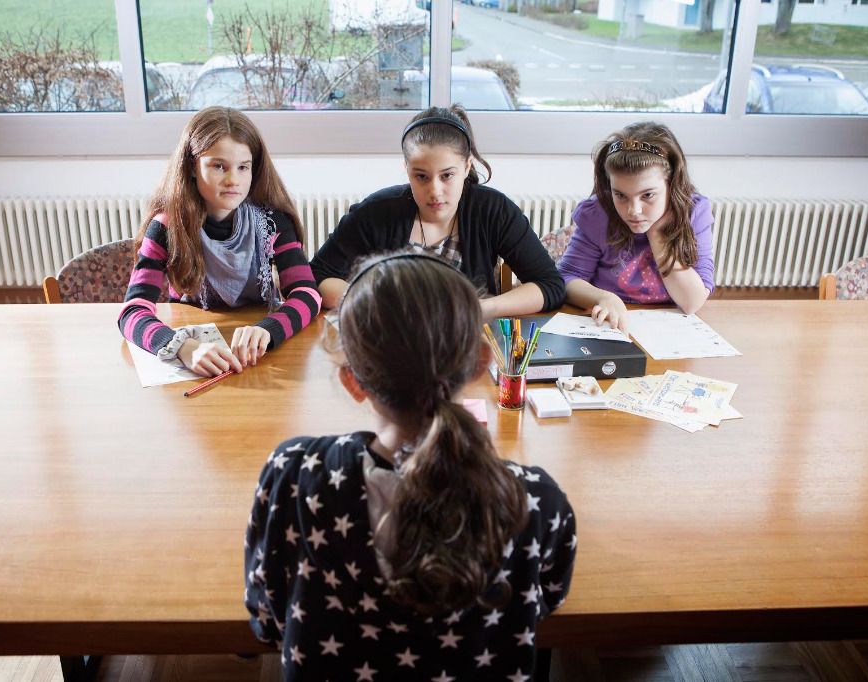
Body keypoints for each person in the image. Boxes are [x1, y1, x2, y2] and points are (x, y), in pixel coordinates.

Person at [245, 252, 576, 681]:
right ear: (481, 362)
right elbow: (548, 599)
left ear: (354, 382)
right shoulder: (534, 500)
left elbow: (267, 619)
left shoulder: (296, 474)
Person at [310, 105, 565, 318]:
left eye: (447, 176)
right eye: (421, 176)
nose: (435, 190)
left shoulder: (494, 210)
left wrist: (481, 307)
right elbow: (319, 273)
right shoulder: (377, 212)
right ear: (407, 168)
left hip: (466, 346)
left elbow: (550, 285)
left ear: (467, 167)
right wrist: (372, 304)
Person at [118, 107, 321, 375]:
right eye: (218, 166)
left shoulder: (274, 222)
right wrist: (180, 346)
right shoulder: (166, 226)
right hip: (193, 343)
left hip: (255, 348)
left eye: (243, 167)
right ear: (192, 167)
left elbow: (308, 295)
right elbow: (132, 313)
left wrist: (267, 329)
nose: (232, 180)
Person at [558, 121, 714, 332]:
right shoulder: (598, 214)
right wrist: (603, 297)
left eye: (648, 195)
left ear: (672, 184)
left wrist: (657, 232)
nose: (634, 210)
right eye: (620, 195)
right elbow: (566, 278)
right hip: (609, 326)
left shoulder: (695, 213)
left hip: (671, 329)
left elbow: (691, 302)